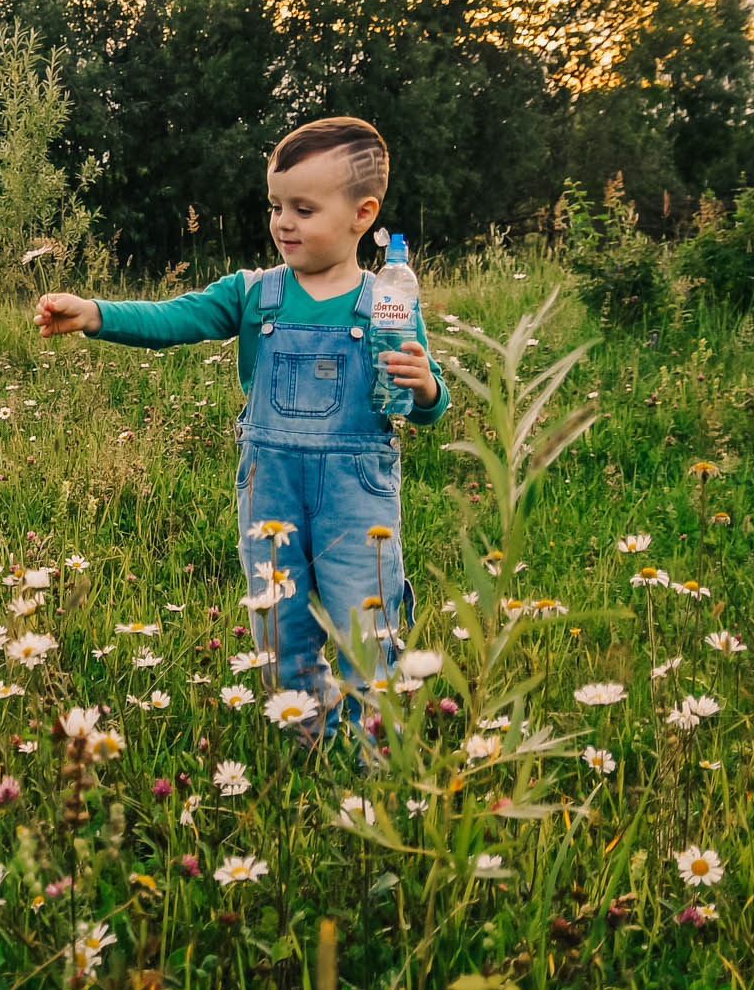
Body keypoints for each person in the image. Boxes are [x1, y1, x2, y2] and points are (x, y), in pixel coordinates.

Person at [32, 117, 449, 729]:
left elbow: (427, 399)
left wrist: (427, 388)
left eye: (303, 209)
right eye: (276, 205)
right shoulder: (254, 294)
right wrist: (96, 313)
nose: (283, 222)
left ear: (363, 215)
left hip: (359, 495)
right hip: (271, 489)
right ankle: (310, 743)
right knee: (279, 631)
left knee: (368, 629)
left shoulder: (387, 300)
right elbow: (175, 318)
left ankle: (375, 758)